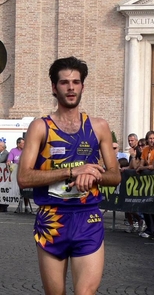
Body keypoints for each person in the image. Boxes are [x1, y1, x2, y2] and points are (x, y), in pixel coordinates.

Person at [17, 56, 121, 294]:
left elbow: (115, 176)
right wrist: (73, 171)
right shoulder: (40, 127)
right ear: (54, 88)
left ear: (83, 86)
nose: (71, 87)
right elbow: (23, 178)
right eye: (64, 82)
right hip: (52, 220)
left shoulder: (99, 126)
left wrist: (93, 175)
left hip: (88, 218)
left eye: (76, 82)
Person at [6, 138, 30, 213]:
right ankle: (19, 206)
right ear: (18, 144)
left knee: (26, 189)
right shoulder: (13, 150)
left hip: (25, 172)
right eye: (22, 143)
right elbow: (9, 160)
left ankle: (26, 207)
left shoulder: (27, 150)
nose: (24, 145)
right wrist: (9, 162)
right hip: (17, 173)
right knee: (18, 190)